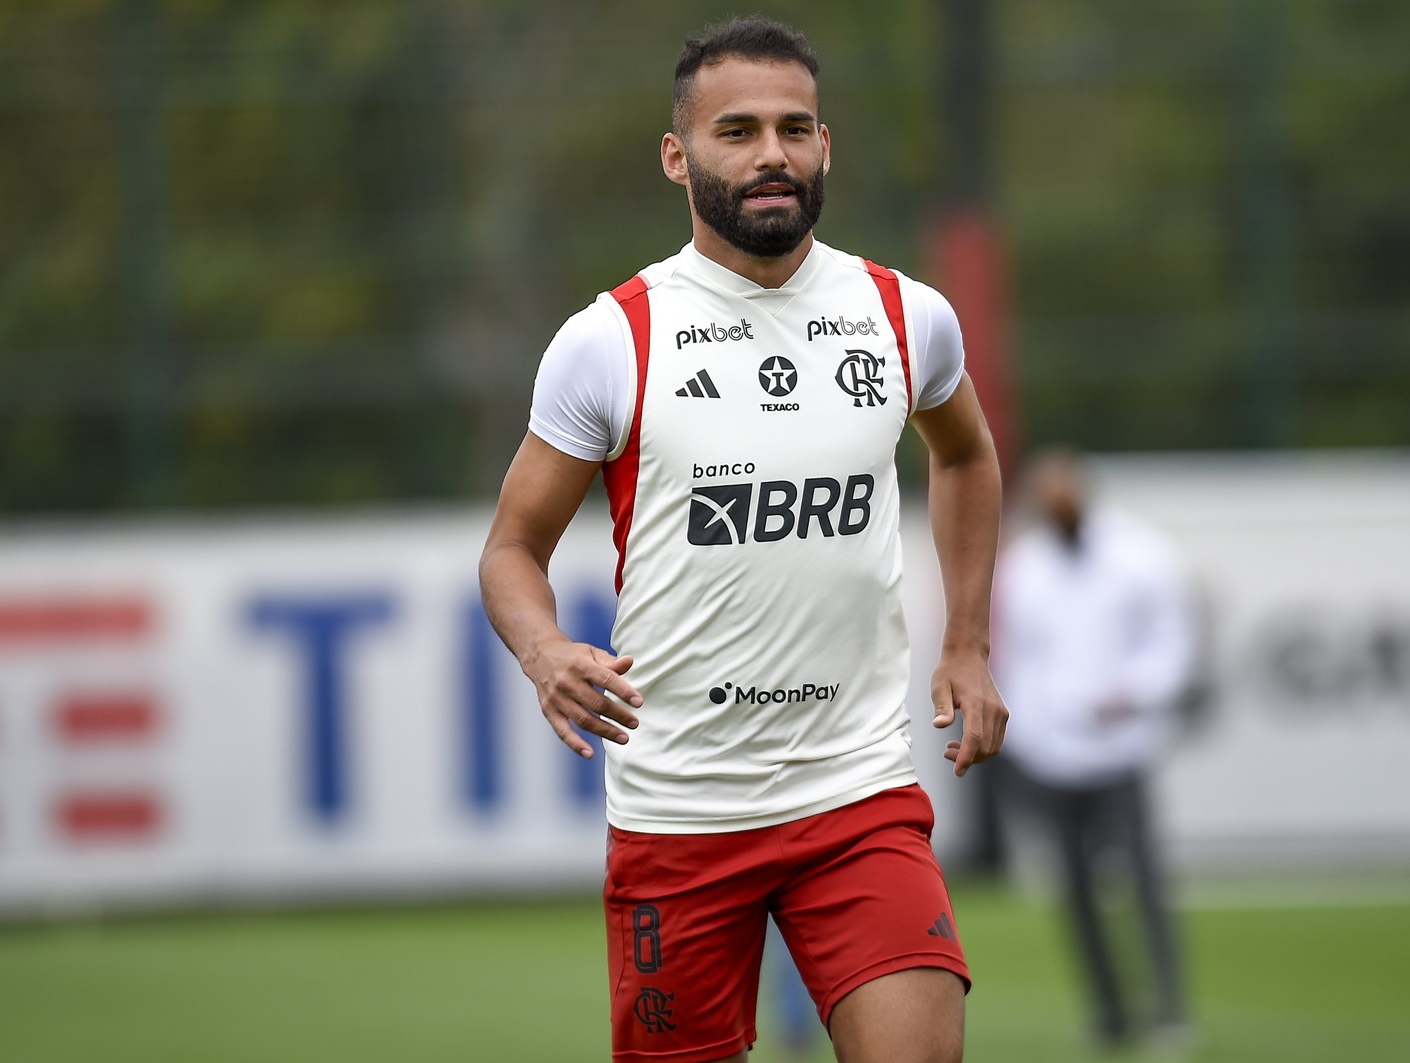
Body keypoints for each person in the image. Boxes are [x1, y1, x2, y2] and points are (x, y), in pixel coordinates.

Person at [478, 18, 1006, 1063]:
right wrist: (543, 652)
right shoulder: (611, 339)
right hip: (680, 812)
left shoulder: (905, 316)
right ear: (679, 156)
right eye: (737, 130)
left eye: (794, 127)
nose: (772, 152)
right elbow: (510, 550)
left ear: (824, 145)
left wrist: (967, 641)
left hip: (856, 793)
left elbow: (967, 457)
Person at [990, 448, 1195, 1052]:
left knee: (1143, 881)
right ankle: (1110, 1013)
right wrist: (1024, 736)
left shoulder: (1142, 556)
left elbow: (1172, 642)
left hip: (1121, 748)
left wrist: (1136, 692)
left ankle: (1168, 1008)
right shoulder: (1024, 567)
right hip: (1052, 752)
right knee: (1075, 892)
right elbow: (1017, 659)